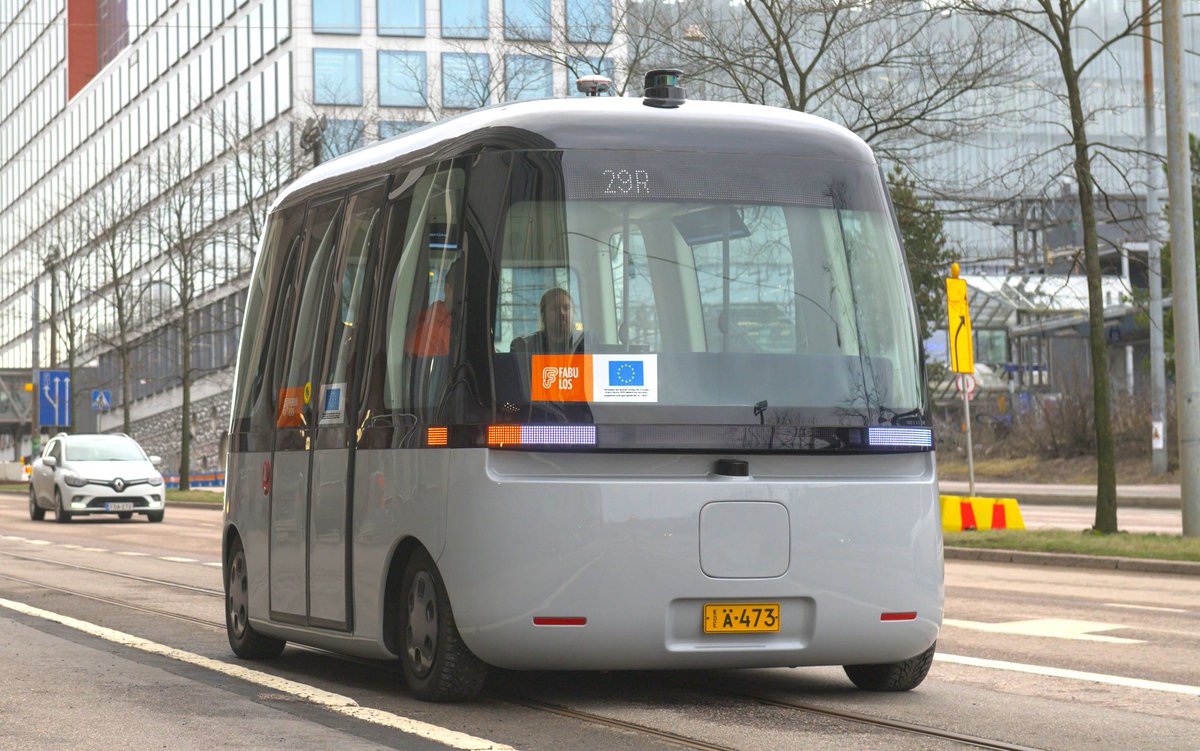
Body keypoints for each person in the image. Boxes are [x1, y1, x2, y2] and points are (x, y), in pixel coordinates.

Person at [405, 258, 461, 356]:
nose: (463, 298)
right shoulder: (426, 331)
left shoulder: (461, 327)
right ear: (447, 290)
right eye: (461, 291)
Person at [510, 288, 580, 356]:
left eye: (566, 308)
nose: (562, 312)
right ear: (543, 314)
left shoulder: (585, 344)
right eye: (555, 308)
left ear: (573, 312)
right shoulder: (524, 347)